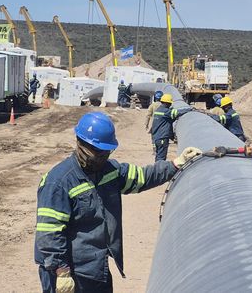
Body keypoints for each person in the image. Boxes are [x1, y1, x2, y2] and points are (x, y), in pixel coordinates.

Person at [34, 111, 202, 293]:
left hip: (96, 267)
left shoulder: (108, 171)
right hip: (69, 270)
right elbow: (49, 232)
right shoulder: (58, 182)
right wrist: (62, 272)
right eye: (99, 153)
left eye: (107, 152)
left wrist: (176, 164)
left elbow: (142, 177)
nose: (103, 157)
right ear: (82, 145)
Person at [151, 94, 191, 162]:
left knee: (158, 157)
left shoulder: (158, 110)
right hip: (162, 138)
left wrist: (172, 136)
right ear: (167, 103)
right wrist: (190, 109)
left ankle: (157, 167)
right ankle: (159, 168)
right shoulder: (165, 111)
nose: (170, 105)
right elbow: (176, 112)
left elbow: (168, 121)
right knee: (161, 158)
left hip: (157, 138)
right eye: (170, 103)